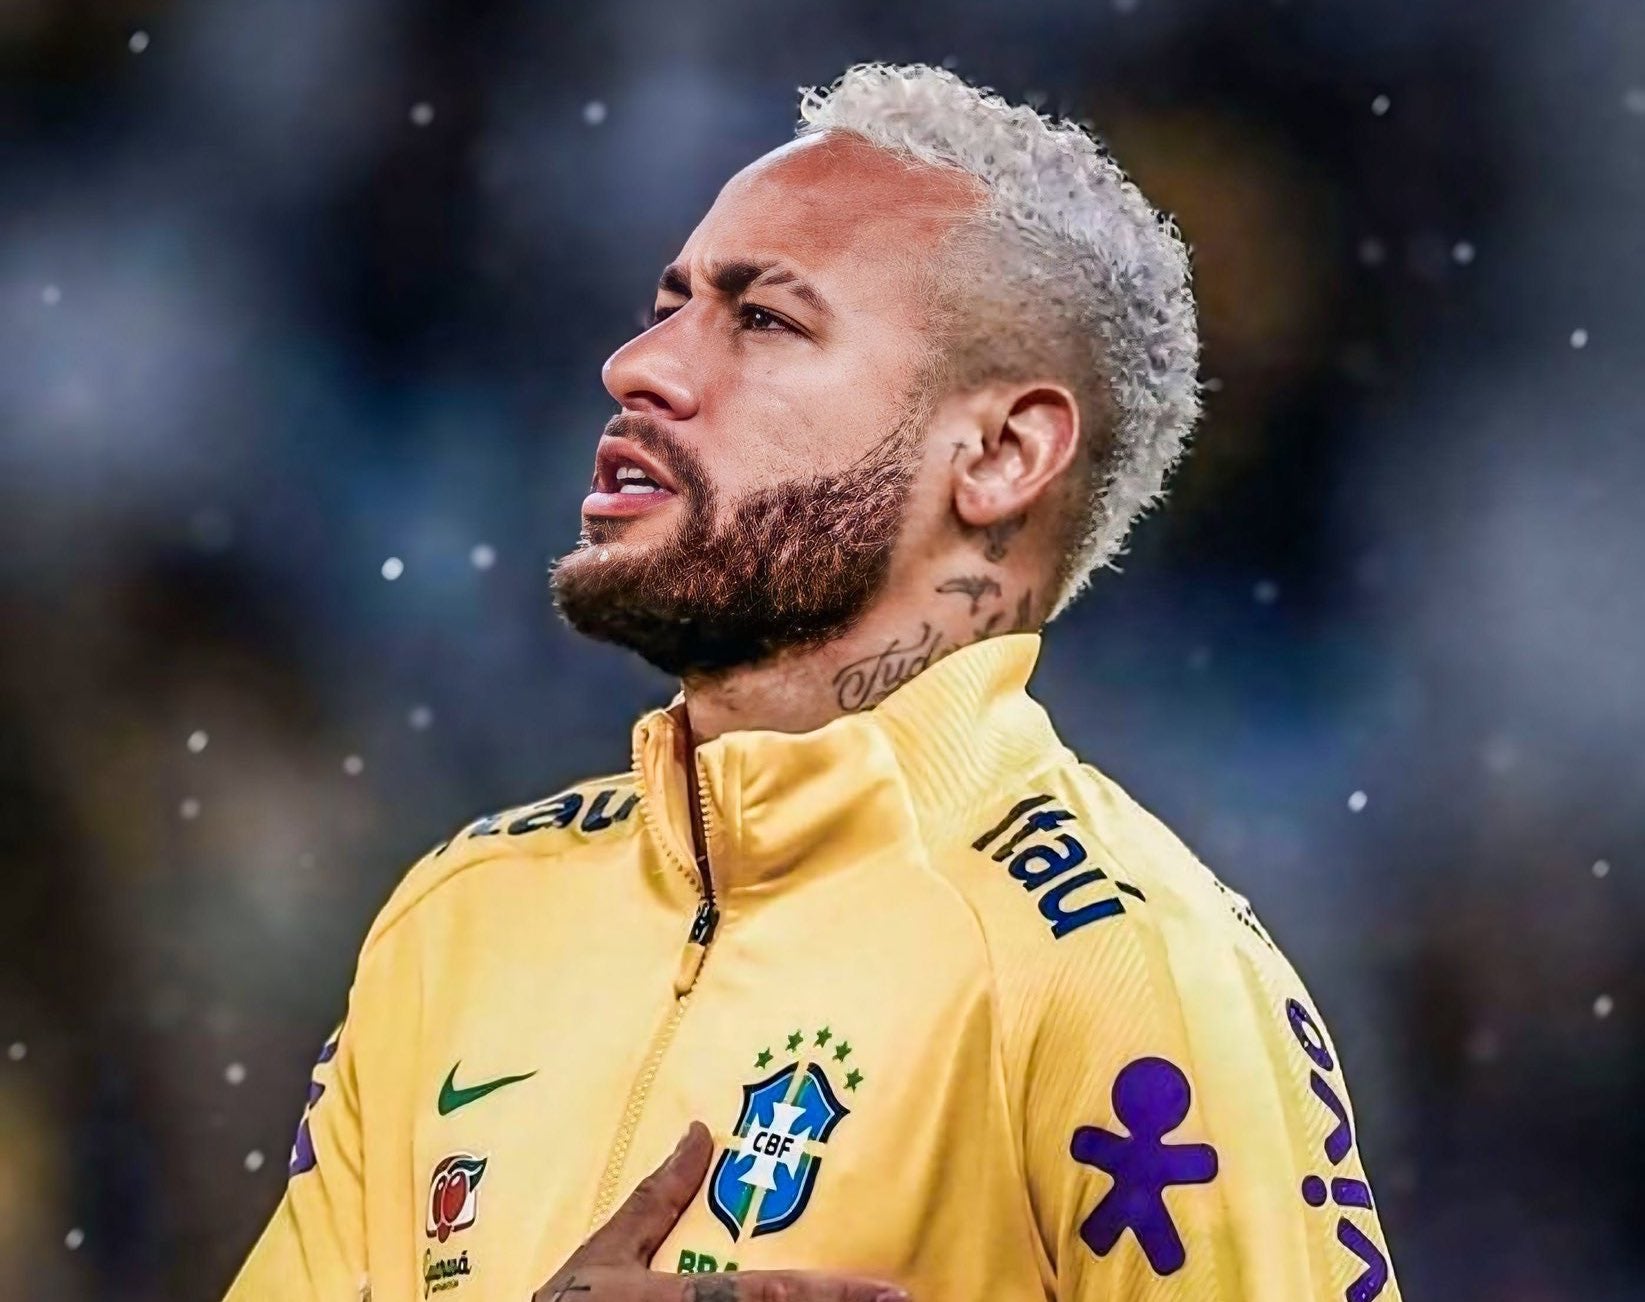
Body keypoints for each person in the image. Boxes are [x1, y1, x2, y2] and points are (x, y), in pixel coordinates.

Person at [225, 61, 1401, 1302]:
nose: (639, 366)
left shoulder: (1120, 965)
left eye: (763, 321)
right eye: (668, 304)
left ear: (1000, 453)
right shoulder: (460, 920)